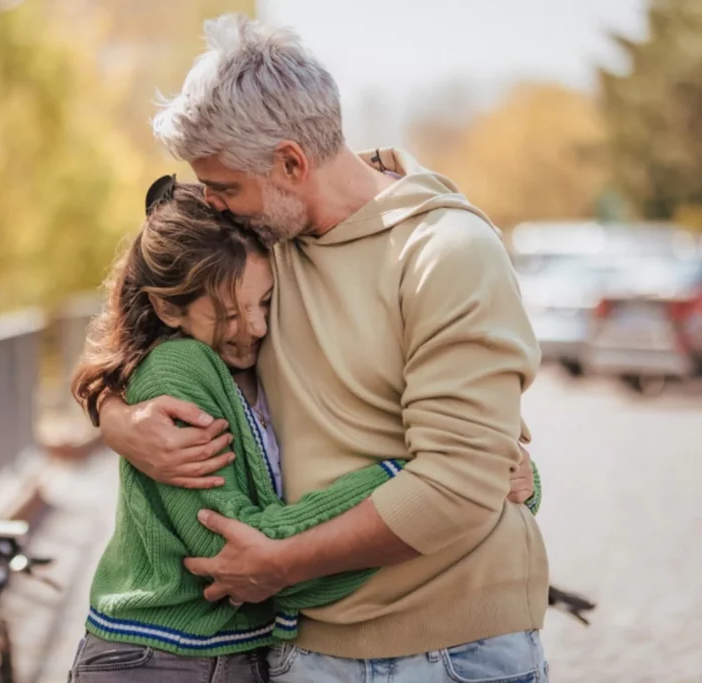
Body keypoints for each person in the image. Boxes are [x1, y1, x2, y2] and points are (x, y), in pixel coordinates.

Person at [97, 14, 551, 683]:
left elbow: (460, 487)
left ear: (290, 162)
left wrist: (283, 562)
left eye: (225, 187)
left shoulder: (445, 251)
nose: (214, 208)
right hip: (305, 653)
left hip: (452, 653)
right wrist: (119, 418)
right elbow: (139, 326)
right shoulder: (258, 248)